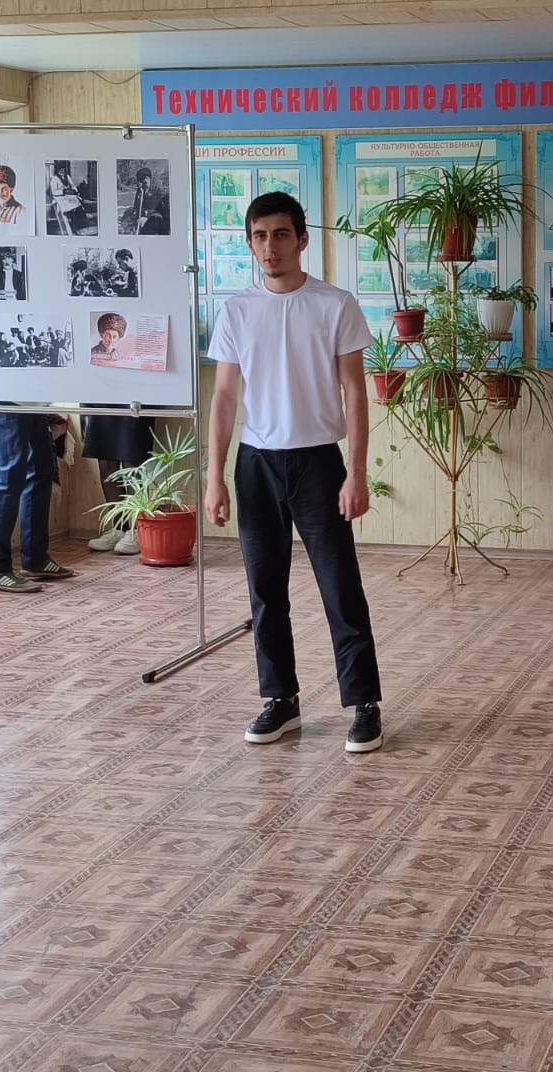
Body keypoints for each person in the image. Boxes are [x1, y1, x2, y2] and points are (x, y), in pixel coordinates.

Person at [205, 190, 384, 753]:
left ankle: (364, 704)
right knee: (264, 589)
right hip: (256, 464)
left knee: (340, 587)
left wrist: (356, 473)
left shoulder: (334, 305)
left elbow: (355, 392)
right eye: (259, 236)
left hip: (317, 463)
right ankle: (279, 700)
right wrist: (214, 476)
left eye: (280, 234)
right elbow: (225, 400)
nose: (269, 247)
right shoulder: (237, 310)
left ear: (302, 239)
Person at [0, 410, 74, 593]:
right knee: (9, 475)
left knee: (42, 468)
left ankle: (35, 559)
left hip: (30, 400)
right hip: (7, 400)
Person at [84, 405, 156, 556]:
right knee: (105, 462)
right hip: (104, 395)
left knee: (132, 462)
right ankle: (119, 528)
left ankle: (137, 531)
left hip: (135, 397)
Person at [120, 164, 169, 235]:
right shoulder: (140, 191)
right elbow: (136, 206)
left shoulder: (157, 190)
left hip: (154, 215)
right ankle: (124, 229)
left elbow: (161, 208)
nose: (145, 181)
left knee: (142, 223)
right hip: (142, 213)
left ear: (150, 179)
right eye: (142, 179)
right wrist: (139, 197)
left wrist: (148, 215)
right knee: (128, 212)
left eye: (146, 178)